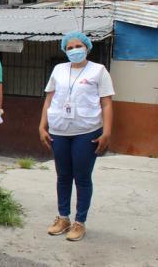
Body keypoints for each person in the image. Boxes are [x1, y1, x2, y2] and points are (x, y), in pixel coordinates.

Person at [39, 31, 114, 242]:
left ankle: (80, 222)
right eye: (69, 47)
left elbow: (107, 103)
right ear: (64, 50)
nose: (74, 50)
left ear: (87, 47)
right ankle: (63, 218)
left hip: (86, 131)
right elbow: (48, 100)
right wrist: (42, 126)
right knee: (63, 176)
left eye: (78, 46)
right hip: (59, 130)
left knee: (81, 177)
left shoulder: (99, 71)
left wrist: (106, 132)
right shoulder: (58, 70)